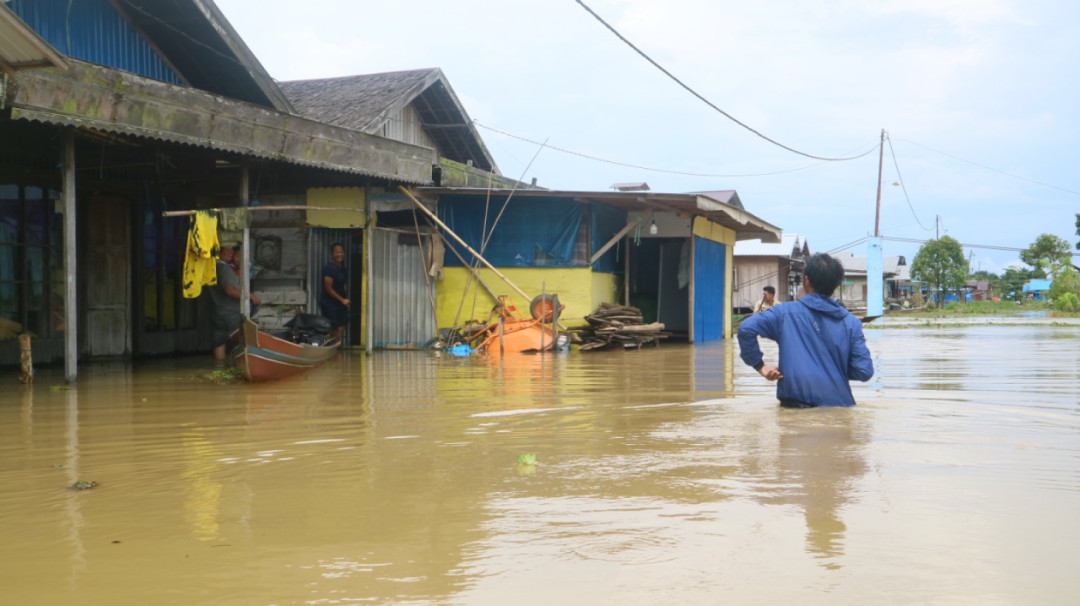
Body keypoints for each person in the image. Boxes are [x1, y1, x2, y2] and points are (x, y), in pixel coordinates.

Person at [737, 253, 873, 408]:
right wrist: (833, 367)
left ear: (806, 280)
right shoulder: (851, 323)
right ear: (836, 285)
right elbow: (864, 371)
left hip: (796, 407)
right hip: (840, 406)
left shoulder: (783, 313)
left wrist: (760, 366)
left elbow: (746, 328)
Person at [208, 244, 260, 360]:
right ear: (219, 252)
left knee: (219, 342)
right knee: (240, 341)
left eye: (231, 249)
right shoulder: (224, 269)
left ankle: (219, 369)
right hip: (230, 313)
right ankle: (241, 367)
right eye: (226, 250)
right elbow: (230, 291)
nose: (230, 252)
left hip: (217, 312)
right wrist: (250, 296)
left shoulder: (211, 267)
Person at [320, 241, 350, 340]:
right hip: (330, 304)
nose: (339, 254)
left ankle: (337, 348)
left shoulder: (341, 267)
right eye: (336, 252)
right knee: (333, 328)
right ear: (332, 254)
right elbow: (328, 288)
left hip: (340, 303)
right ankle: (331, 347)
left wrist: (343, 300)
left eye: (341, 252)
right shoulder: (329, 268)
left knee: (343, 324)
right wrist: (342, 300)